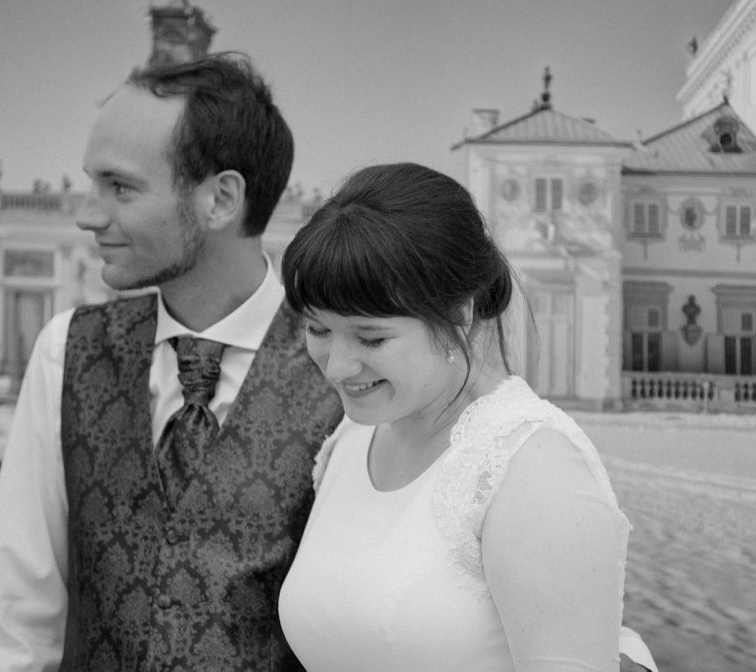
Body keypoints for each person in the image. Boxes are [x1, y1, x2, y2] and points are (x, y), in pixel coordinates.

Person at [0, 53, 343, 671]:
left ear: (220, 199)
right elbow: (12, 619)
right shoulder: (68, 353)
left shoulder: (346, 370)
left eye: (120, 187)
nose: (87, 214)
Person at [277, 163, 656, 671]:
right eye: (318, 330)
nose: (338, 366)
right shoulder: (349, 440)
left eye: (371, 338)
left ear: (460, 310)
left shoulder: (532, 471)